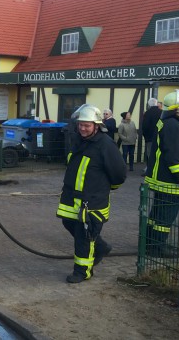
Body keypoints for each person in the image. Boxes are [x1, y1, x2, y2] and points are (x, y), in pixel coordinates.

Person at [56, 104, 126, 283]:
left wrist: (106, 189)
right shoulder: (79, 141)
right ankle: (100, 247)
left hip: (92, 200)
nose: (82, 128)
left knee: (84, 234)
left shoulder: (105, 145)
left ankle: (82, 271)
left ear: (97, 125)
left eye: (87, 125)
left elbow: (119, 173)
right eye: (80, 125)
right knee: (69, 222)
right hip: (72, 197)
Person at [144, 90, 179, 258]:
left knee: (156, 213)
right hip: (170, 181)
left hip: (160, 178)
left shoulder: (166, 122)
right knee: (166, 216)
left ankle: (148, 242)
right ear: (178, 108)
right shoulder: (175, 127)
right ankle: (158, 247)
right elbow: (175, 155)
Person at [141, 98, 163, 174]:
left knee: (150, 154)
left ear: (149, 104)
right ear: (156, 104)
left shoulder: (147, 113)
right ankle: (158, 170)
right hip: (160, 137)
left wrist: (145, 136)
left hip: (150, 138)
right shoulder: (161, 112)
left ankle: (150, 171)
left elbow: (144, 126)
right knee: (159, 154)